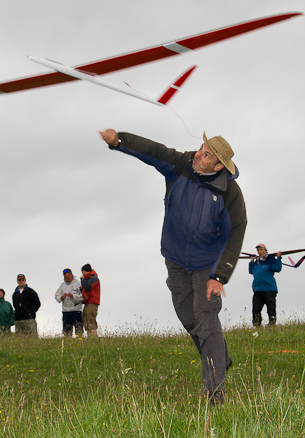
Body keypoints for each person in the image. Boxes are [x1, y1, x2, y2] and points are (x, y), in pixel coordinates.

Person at [99, 129, 247, 405]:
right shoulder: (181, 166)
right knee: (189, 321)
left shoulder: (229, 194)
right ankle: (220, 357)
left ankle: (214, 393)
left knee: (206, 321)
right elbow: (154, 151)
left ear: (218, 166)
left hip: (207, 267)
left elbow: (236, 231)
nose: (198, 155)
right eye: (201, 148)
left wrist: (220, 275)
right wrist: (120, 141)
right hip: (176, 262)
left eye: (206, 155)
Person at [249, 243, 282, 326]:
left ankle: (272, 325)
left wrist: (278, 258)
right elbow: (251, 271)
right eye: (258, 250)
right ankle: (257, 326)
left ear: (265, 250)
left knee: (271, 309)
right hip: (258, 290)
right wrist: (251, 261)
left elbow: (277, 269)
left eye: (261, 249)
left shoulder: (270, 260)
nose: (259, 251)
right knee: (256, 310)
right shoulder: (257, 262)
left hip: (269, 289)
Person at [55, 268, 84, 337]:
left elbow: (83, 296)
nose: (66, 279)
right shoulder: (62, 285)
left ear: (72, 275)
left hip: (77, 310)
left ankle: (80, 343)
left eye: (68, 277)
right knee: (66, 331)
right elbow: (56, 296)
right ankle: (68, 343)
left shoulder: (78, 283)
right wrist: (61, 298)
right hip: (66, 311)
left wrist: (73, 296)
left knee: (79, 330)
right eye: (65, 277)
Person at [80, 264, 100, 337]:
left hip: (92, 302)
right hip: (88, 302)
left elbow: (88, 287)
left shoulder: (94, 278)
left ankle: (93, 337)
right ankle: (90, 336)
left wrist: (82, 280)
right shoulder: (89, 279)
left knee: (90, 319)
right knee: (85, 318)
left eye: (83, 272)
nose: (82, 274)